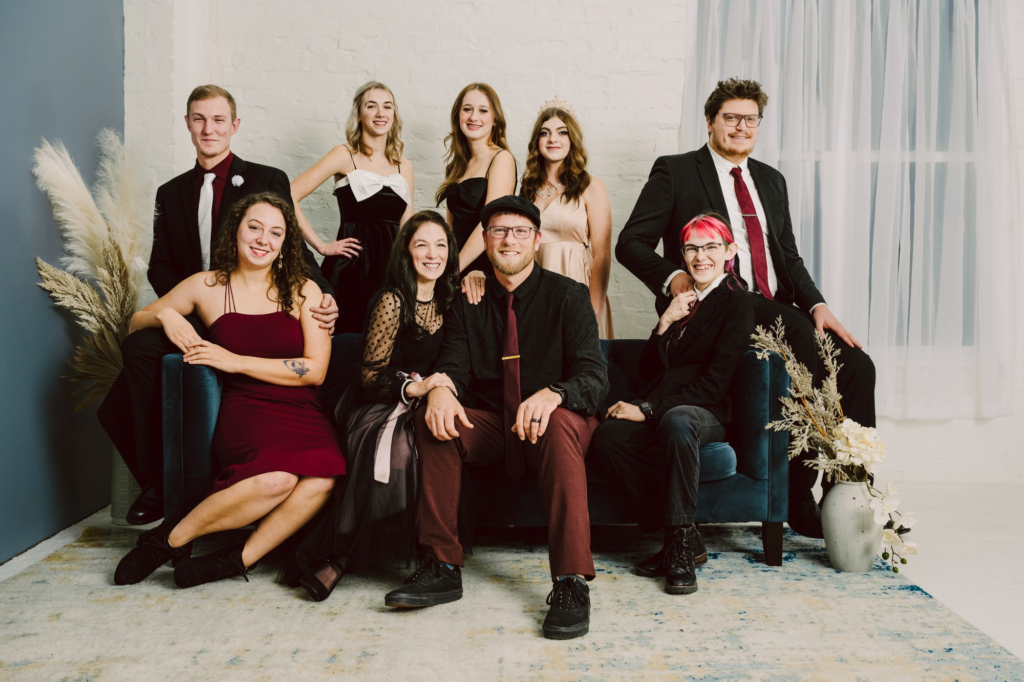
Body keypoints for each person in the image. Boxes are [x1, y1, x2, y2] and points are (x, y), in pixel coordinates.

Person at [615, 77, 876, 538]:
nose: (741, 127)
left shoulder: (771, 180)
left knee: (856, 367)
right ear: (710, 121)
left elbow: (787, 256)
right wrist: (675, 278)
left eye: (750, 119)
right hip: (722, 308)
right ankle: (796, 493)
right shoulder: (676, 171)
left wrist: (817, 303)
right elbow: (630, 243)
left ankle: (848, 496)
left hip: (778, 309)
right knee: (804, 347)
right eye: (731, 118)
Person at [97, 85, 338, 526]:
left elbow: (294, 252)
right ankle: (160, 480)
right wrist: (180, 309)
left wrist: (325, 298)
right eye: (199, 119)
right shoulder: (170, 192)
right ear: (188, 124)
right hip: (199, 308)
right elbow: (161, 264)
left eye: (218, 120)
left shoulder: (267, 179)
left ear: (234, 125)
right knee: (137, 351)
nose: (209, 129)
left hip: (253, 307)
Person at [383, 196, 608, 642]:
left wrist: (554, 394)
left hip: (553, 425)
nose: (509, 240)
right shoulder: (468, 300)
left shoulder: (569, 295)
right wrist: (441, 390)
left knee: (558, 422)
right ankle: (442, 565)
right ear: (485, 240)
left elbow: (594, 377)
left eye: (520, 232)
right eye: (499, 231)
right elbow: (454, 365)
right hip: (492, 423)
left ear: (537, 240)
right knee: (435, 417)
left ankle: (570, 582)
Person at [113, 192, 346, 588]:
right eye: (254, 227)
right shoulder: (205, 285)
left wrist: (234, 360)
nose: (263, 240)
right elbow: (135, 322)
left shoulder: (305, 290)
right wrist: (166, 315)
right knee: (277, 480)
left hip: (303, 407)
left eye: (275, 233)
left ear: (285, 242)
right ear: (236, 230)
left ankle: (233, 558)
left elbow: (315, 371)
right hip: (245, 406)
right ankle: (168, 541)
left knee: (324, 478)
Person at [288, 210, 460, 601]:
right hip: (381, 399)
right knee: (396, 453)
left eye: (440, 245)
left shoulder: (452, 298)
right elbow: (370, 376)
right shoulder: (391, 300)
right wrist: (412, 388)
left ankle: (349, 556)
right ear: (407, 252)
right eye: (421, 245)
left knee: (426, 445)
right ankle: (338, 555)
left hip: (427, 400)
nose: (432, 254)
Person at [593, 214, 753, 595]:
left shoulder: (738, 303)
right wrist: (664, 322)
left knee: (678, 420)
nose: (700, 256)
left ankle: (680, 550)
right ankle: (683, 536)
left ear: (729, 251)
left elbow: (714, 384)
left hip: (706, 410)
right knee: (609, 437)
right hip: (667, 404)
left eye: (710, 247)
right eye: (692, 248)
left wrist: (648, 410)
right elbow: (648, 372)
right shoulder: (680, 302)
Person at [291, 81, 414, 333]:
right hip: (352, 267)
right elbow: (287, 194)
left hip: (392, 268)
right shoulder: (344, 154)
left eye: (387, 106)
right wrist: (321, 246)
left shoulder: (404, 165)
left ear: (394, 114)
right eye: (371, 106)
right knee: (348, 339)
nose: (380, 113)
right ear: (359, 114)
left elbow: (408, 226)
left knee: (388, 341)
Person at [520, 99, 613, 339]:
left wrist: (594, 311)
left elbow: (602, 255)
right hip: (535, 286)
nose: (553, 139)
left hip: (577, 282)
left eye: (562, 132)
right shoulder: (526, 189)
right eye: (545, 133)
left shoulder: (591, 185)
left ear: (572, 139)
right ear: (536, 141)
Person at [434, 83, 517, 280]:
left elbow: (490, 222)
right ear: (458, 116)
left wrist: (453, 271)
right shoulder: (455, 166)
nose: (473, 117)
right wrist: (444, 263)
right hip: (455, 263)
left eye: (483, 110)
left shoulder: (501, 159)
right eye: (467, 109)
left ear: (495, 119)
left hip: (483, 268)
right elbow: (451, 227)